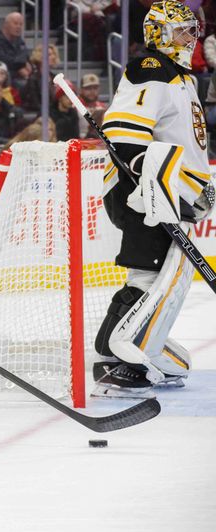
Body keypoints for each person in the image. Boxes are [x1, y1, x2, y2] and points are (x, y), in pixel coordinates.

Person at [92, 1, 213, 398]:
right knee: (149, 276)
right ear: (158, 32)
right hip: (143, 190)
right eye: (181, 31)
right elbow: (124, 130)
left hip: (165, 189)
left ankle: (140, 346)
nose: (190, 38)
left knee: (171, 277)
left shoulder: (184, 79)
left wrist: (199, 190)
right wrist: (148, 178)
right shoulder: (151, 68)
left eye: (192, 31)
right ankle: (115, 359)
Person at [0, 12, 29, 76]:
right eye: (15, 23)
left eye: (21, 24)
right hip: (2, 75)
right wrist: (21, 67)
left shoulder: (19, 41)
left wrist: (24, 64)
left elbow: (25, 56)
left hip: (18, 74)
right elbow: (2, 61)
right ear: (5, 24)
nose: (19, 27)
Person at [77, 73, 108, 139]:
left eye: (95, 88)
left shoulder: (103, 107)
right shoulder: (75, 107)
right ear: (81, 90)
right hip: (80, 144)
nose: (92, 91)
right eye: (88, 88)